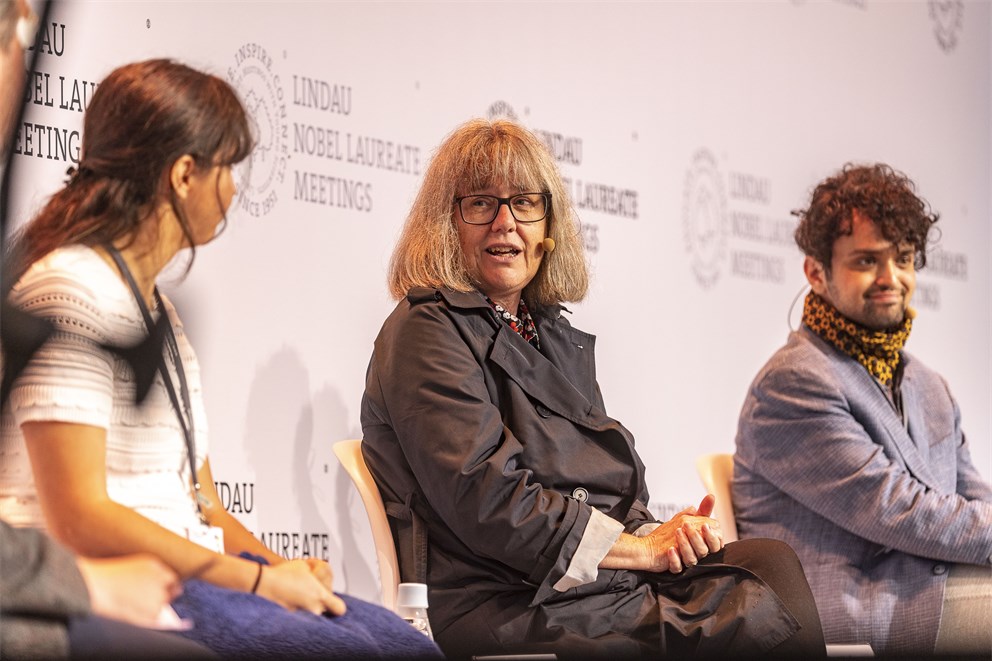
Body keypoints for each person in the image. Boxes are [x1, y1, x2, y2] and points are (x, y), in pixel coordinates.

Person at [0, 58, 442, 660]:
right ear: (185, 175)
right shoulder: (72, 288)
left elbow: (202, 503)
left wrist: (279, 569)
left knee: (402, 645)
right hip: (116, 585)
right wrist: (256, 581)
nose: (234, 187)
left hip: (194, 579)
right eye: (228, 167)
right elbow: (80, 515)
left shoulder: (159, 311)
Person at [360, 118, 826, 660]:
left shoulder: (546, 330)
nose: (505, 224)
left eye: (525, 204)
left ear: (547, 224)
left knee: (766, 562)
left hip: (579, 586)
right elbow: (488, 501)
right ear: (447, 223)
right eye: (481, 204)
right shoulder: (425, 329)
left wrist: (656, 532)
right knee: (761, 611)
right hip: (503, 598)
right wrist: (642, 552)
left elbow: (600, 485)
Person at [733, 163, 992, 656]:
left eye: (904, 259)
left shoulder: (929, 384)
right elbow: (899, 510)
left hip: (934, 592)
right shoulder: (791, 383)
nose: (890, 278)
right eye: (867, 261)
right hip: (855, 611)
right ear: (816, 271)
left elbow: (973, 497)